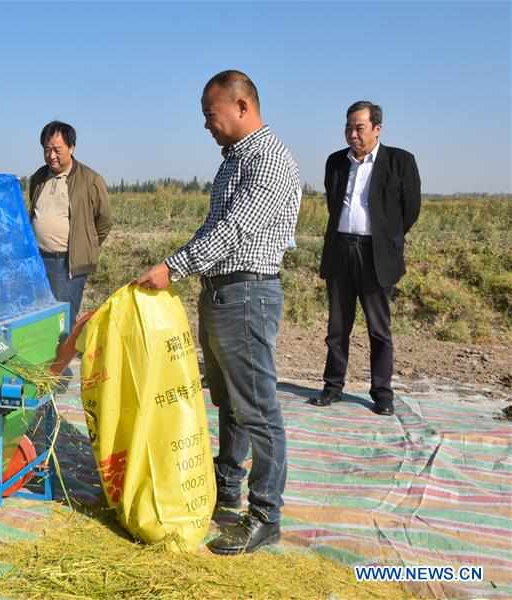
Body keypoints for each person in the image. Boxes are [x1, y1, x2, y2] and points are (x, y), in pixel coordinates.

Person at [135, 70, 300, 555]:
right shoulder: (234, 160)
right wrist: (181, 266)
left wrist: (173, 266)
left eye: (211, 114)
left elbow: (234, 230)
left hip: (248, 295)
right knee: (229, 401)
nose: (207, 125)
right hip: (222, 293)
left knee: (258, 410)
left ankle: (265, 515)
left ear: (242, 107)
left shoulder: (268, 159)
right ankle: (226, 483)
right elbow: (213, 228)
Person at [310, 101, 421, 416]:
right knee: (337, 327)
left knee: (378, 328)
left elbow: (410, 209)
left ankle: (382, 393)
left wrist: (387, 240)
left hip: (376, 255)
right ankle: (332, 387)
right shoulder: (336, 162)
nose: (352, 134)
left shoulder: (400, 161)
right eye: (348, 127)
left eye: (359, 127)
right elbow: (335, 206)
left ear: (377, 128)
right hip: (341, 250)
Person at [28, 121, 113, 321]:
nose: (51, 156)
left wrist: (85, 245)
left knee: (61, 321)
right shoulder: (38, 178)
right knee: (38, 316)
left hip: (66, 264)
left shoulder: (90, 180)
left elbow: (105, 220)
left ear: (72, 147)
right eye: (47, 150)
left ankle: (62, 353)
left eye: (57, 150)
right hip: (38, 260)